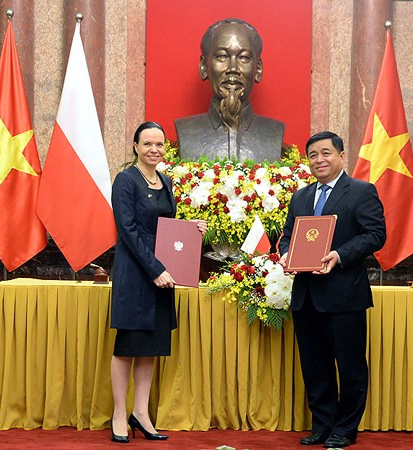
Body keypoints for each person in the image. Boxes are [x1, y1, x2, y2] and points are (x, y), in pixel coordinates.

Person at [279, 131, 386, 448]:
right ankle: (322, 425)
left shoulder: (361, 192)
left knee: (350, 367)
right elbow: (287, 236)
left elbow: (375, 235)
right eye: (313, 155)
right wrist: (286, 252)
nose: (319, 160)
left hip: (344, 296)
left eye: (325, 153)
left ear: (342, 155)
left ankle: (345, 429)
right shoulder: (300, 197)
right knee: (315, 367)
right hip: (306, 296)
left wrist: (339, 255)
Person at [109, 121, 206, 443]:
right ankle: (119, 414)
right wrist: (155, 270)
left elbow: (165, 227)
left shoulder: (164, 181)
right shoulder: (125, 180)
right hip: (138, 273)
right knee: (127, 347)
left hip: (164, 274)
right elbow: (129, 231)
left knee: (150, 348)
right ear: (135, 146)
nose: (154, 150)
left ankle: (141, 413)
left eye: (159, 145)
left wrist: (191, 229)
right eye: (148, 144)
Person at [174, 18, 284, 162]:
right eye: (222, 56)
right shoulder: (186, 131)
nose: (233, 68)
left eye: (244, 58)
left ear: (258, 69)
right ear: (203, 67)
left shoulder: (274, 131)